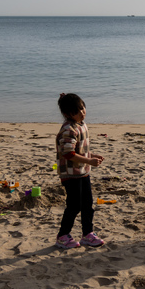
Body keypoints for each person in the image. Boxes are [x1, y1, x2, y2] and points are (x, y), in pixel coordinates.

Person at [55, 93, 105, 249]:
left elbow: (79, 150)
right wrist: (89, 160)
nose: (82, 112)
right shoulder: (68, 129)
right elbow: (68, 153)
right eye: (77, 111)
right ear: (67, 114)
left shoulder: (81, 125)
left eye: (83, 108)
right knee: (74, 205)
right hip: (70, 174)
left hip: (83, 172)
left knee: (87, 204)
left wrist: (91, 156)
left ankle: (87, 234)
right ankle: (63, 236)